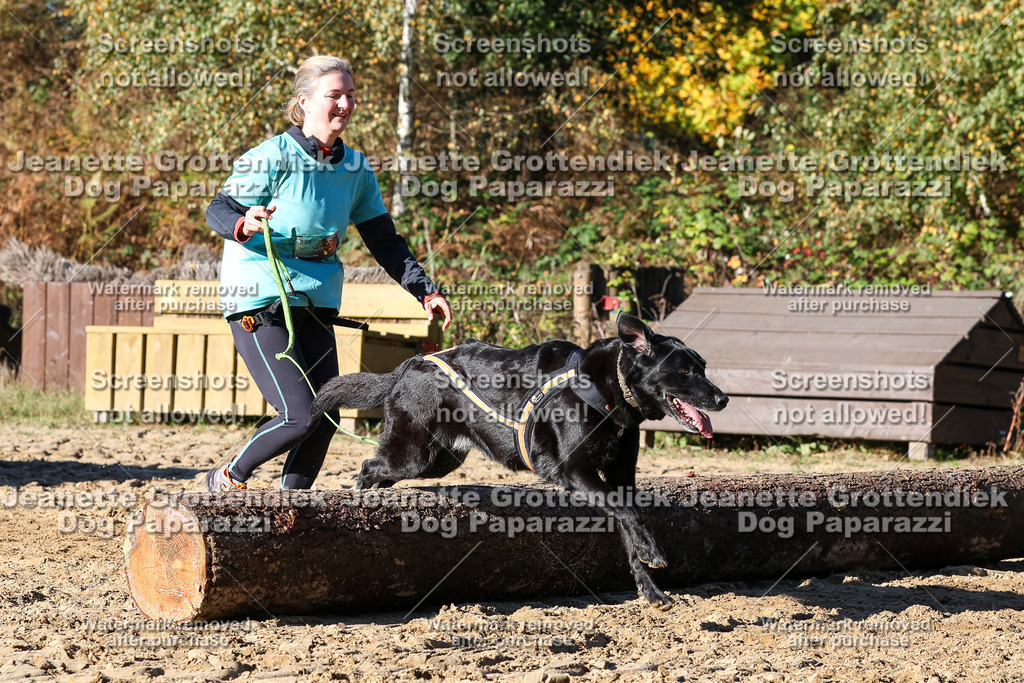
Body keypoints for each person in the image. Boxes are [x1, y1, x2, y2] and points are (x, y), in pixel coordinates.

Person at [204, 55, 452, 491]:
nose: (345, 104)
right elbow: (218, 209)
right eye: (334, 95)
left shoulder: (355, 168)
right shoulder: (271, 156)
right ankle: (227, 476)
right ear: (304, 102)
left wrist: (425, 291)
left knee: (327, 415)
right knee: (299, 415)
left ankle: (291, 507)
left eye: (350, 96)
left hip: (315, 304)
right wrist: (244, 223)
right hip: (261, 301)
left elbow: (385, 241)